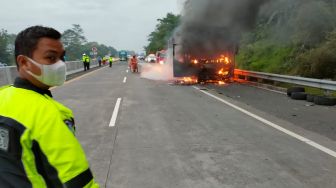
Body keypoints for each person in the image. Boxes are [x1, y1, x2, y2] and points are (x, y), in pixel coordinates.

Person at [0, 26, 99, 187]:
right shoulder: (51, 115)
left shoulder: (3, 97)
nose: (60, 65)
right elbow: (77, 181)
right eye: (51, 58)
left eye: (62, 58)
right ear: (24, 62)